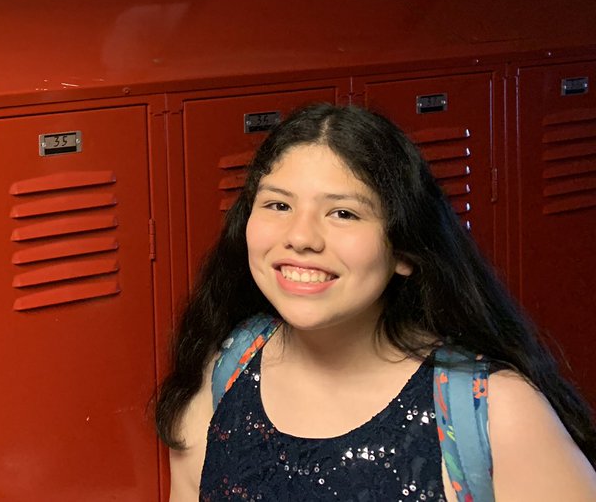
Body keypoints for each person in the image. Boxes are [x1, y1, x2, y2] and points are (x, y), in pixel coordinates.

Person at [157, 103, 596, 501]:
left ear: (405, 251)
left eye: (343, 213)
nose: (300, 237)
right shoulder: (227, 369)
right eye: (277, 204)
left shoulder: (494, 414)